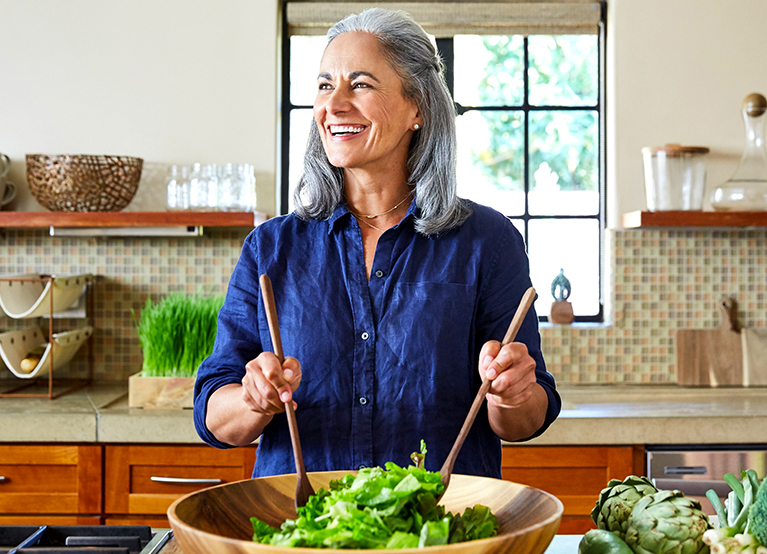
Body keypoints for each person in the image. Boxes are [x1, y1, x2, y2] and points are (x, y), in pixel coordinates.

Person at [194, 7, 561, 479]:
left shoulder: (487, 242)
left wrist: (513, 392)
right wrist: (252, 398)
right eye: (326, 85)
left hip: (441, 536)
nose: (335, 104)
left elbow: (526, 419)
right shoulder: (271, 247)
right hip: (305, 536)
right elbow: (214, 415)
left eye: (361, 84)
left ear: (419, 108)